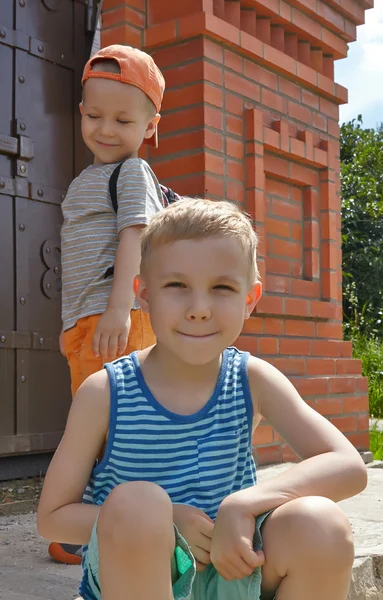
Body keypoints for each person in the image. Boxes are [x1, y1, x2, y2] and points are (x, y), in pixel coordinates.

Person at [37, 198, 368, 600]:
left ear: (249, 299)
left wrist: (243, 505)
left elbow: (348, 465)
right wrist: (168, 521)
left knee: (321, 523)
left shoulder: (251, 378)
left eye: (222, 288)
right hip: (134, 577)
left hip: (229, 570)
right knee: (139, 504)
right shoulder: (106, 392)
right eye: (176, 286)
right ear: (142, 293)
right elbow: (52, 519)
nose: (199, 309)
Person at [51, 44, 167, 565]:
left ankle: (106, 528)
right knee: (96, 422)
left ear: (149, 126)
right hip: (85, 321)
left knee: (114, 425)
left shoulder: (132, 174)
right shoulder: (86, 180)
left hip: (113, 317)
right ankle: (109, 524)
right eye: (95, 115)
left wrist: (120, 309)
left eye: (123, 119)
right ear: (81, 113)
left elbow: (134, 237)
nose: (105, 128)